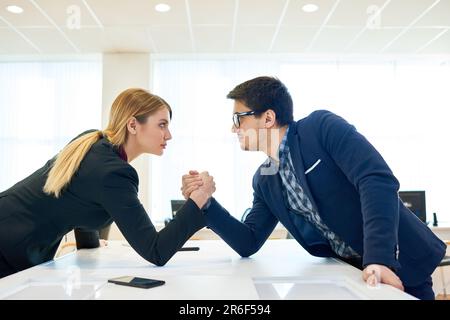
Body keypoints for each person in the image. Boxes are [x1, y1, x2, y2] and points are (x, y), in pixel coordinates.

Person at [182, 76, 446, 300]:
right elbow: (248, 241)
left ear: (268, 118)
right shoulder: (264, 178)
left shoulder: (319, 128)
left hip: (398, 258)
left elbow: (376, 180)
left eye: (238, 118)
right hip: (350, 273)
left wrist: (380, 258)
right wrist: (206, 203)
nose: (233, 128)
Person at [0, 88, 215, 279]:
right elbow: (156, 251)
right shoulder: (114, 172)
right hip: (8, 242)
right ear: (132, 125)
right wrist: (197, 201)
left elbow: (80, 202)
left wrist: (91, 247)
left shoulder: (95, 145)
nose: (169, 135)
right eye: (162, 125)